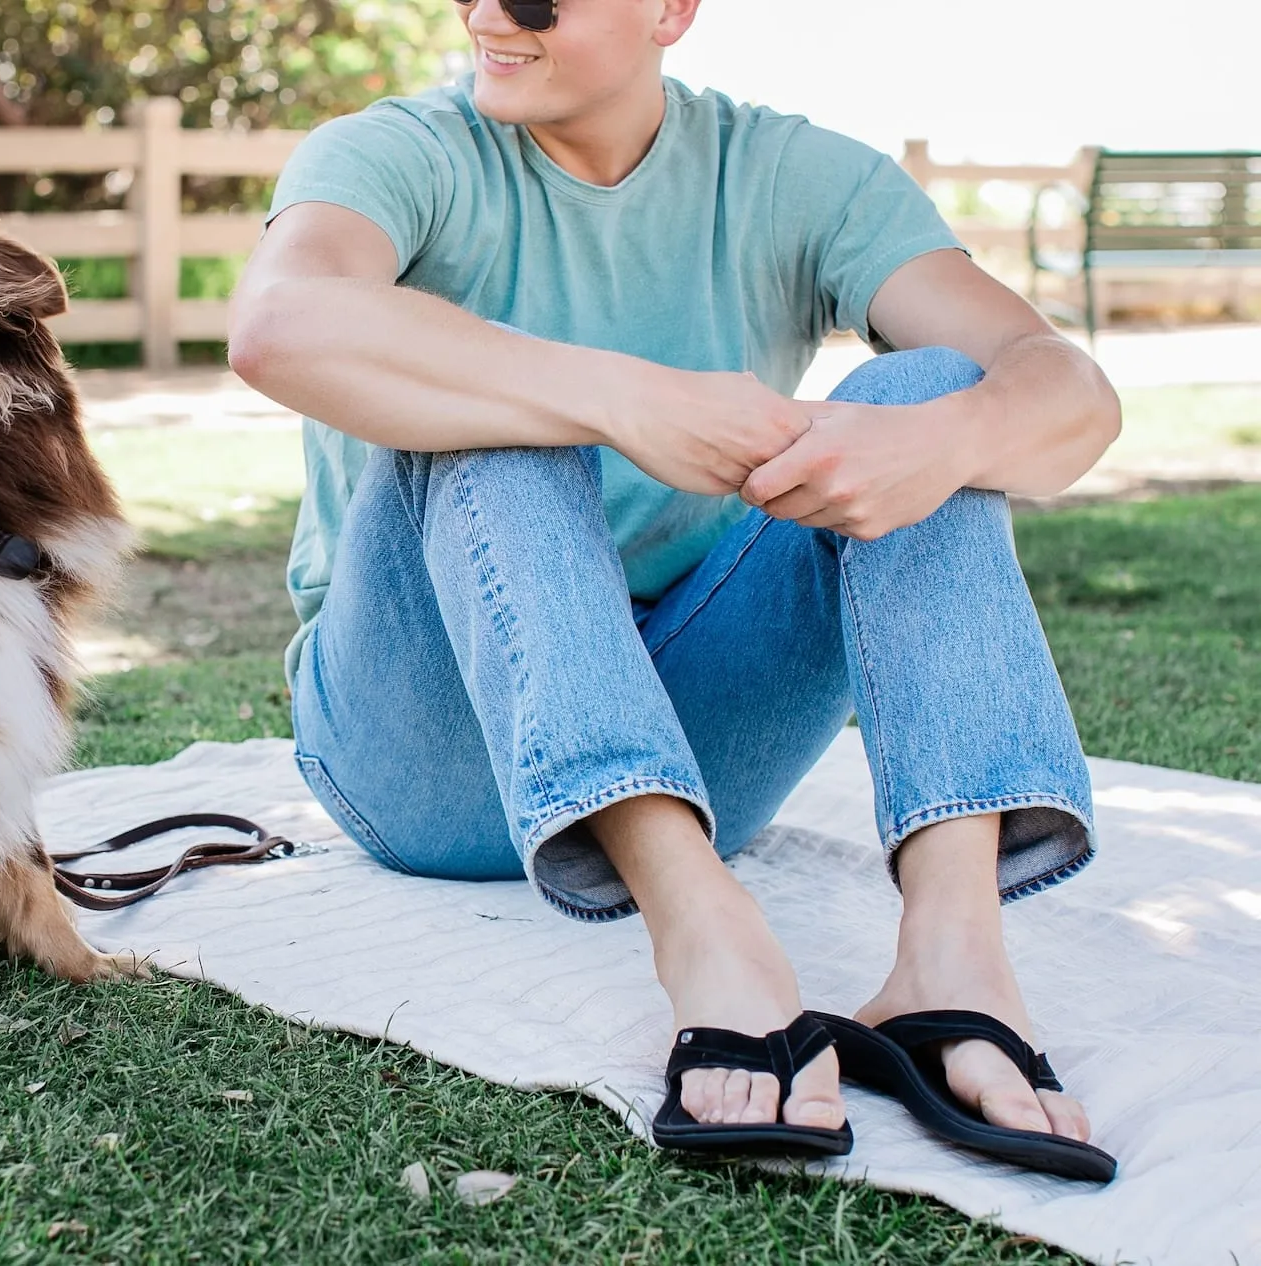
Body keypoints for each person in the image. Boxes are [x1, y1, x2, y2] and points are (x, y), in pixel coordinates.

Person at [226, 0, 1120, 1163]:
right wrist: (617, 394)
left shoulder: (790, 175)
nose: (490, 14)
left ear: (670, 8)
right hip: (421, 751)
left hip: (698, 751)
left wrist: (942, 441)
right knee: (500, 407)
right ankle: (704, 934)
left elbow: (1070, 395)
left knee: (929, 394)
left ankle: (951, 959)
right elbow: (275, 324)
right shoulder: (397, 150)